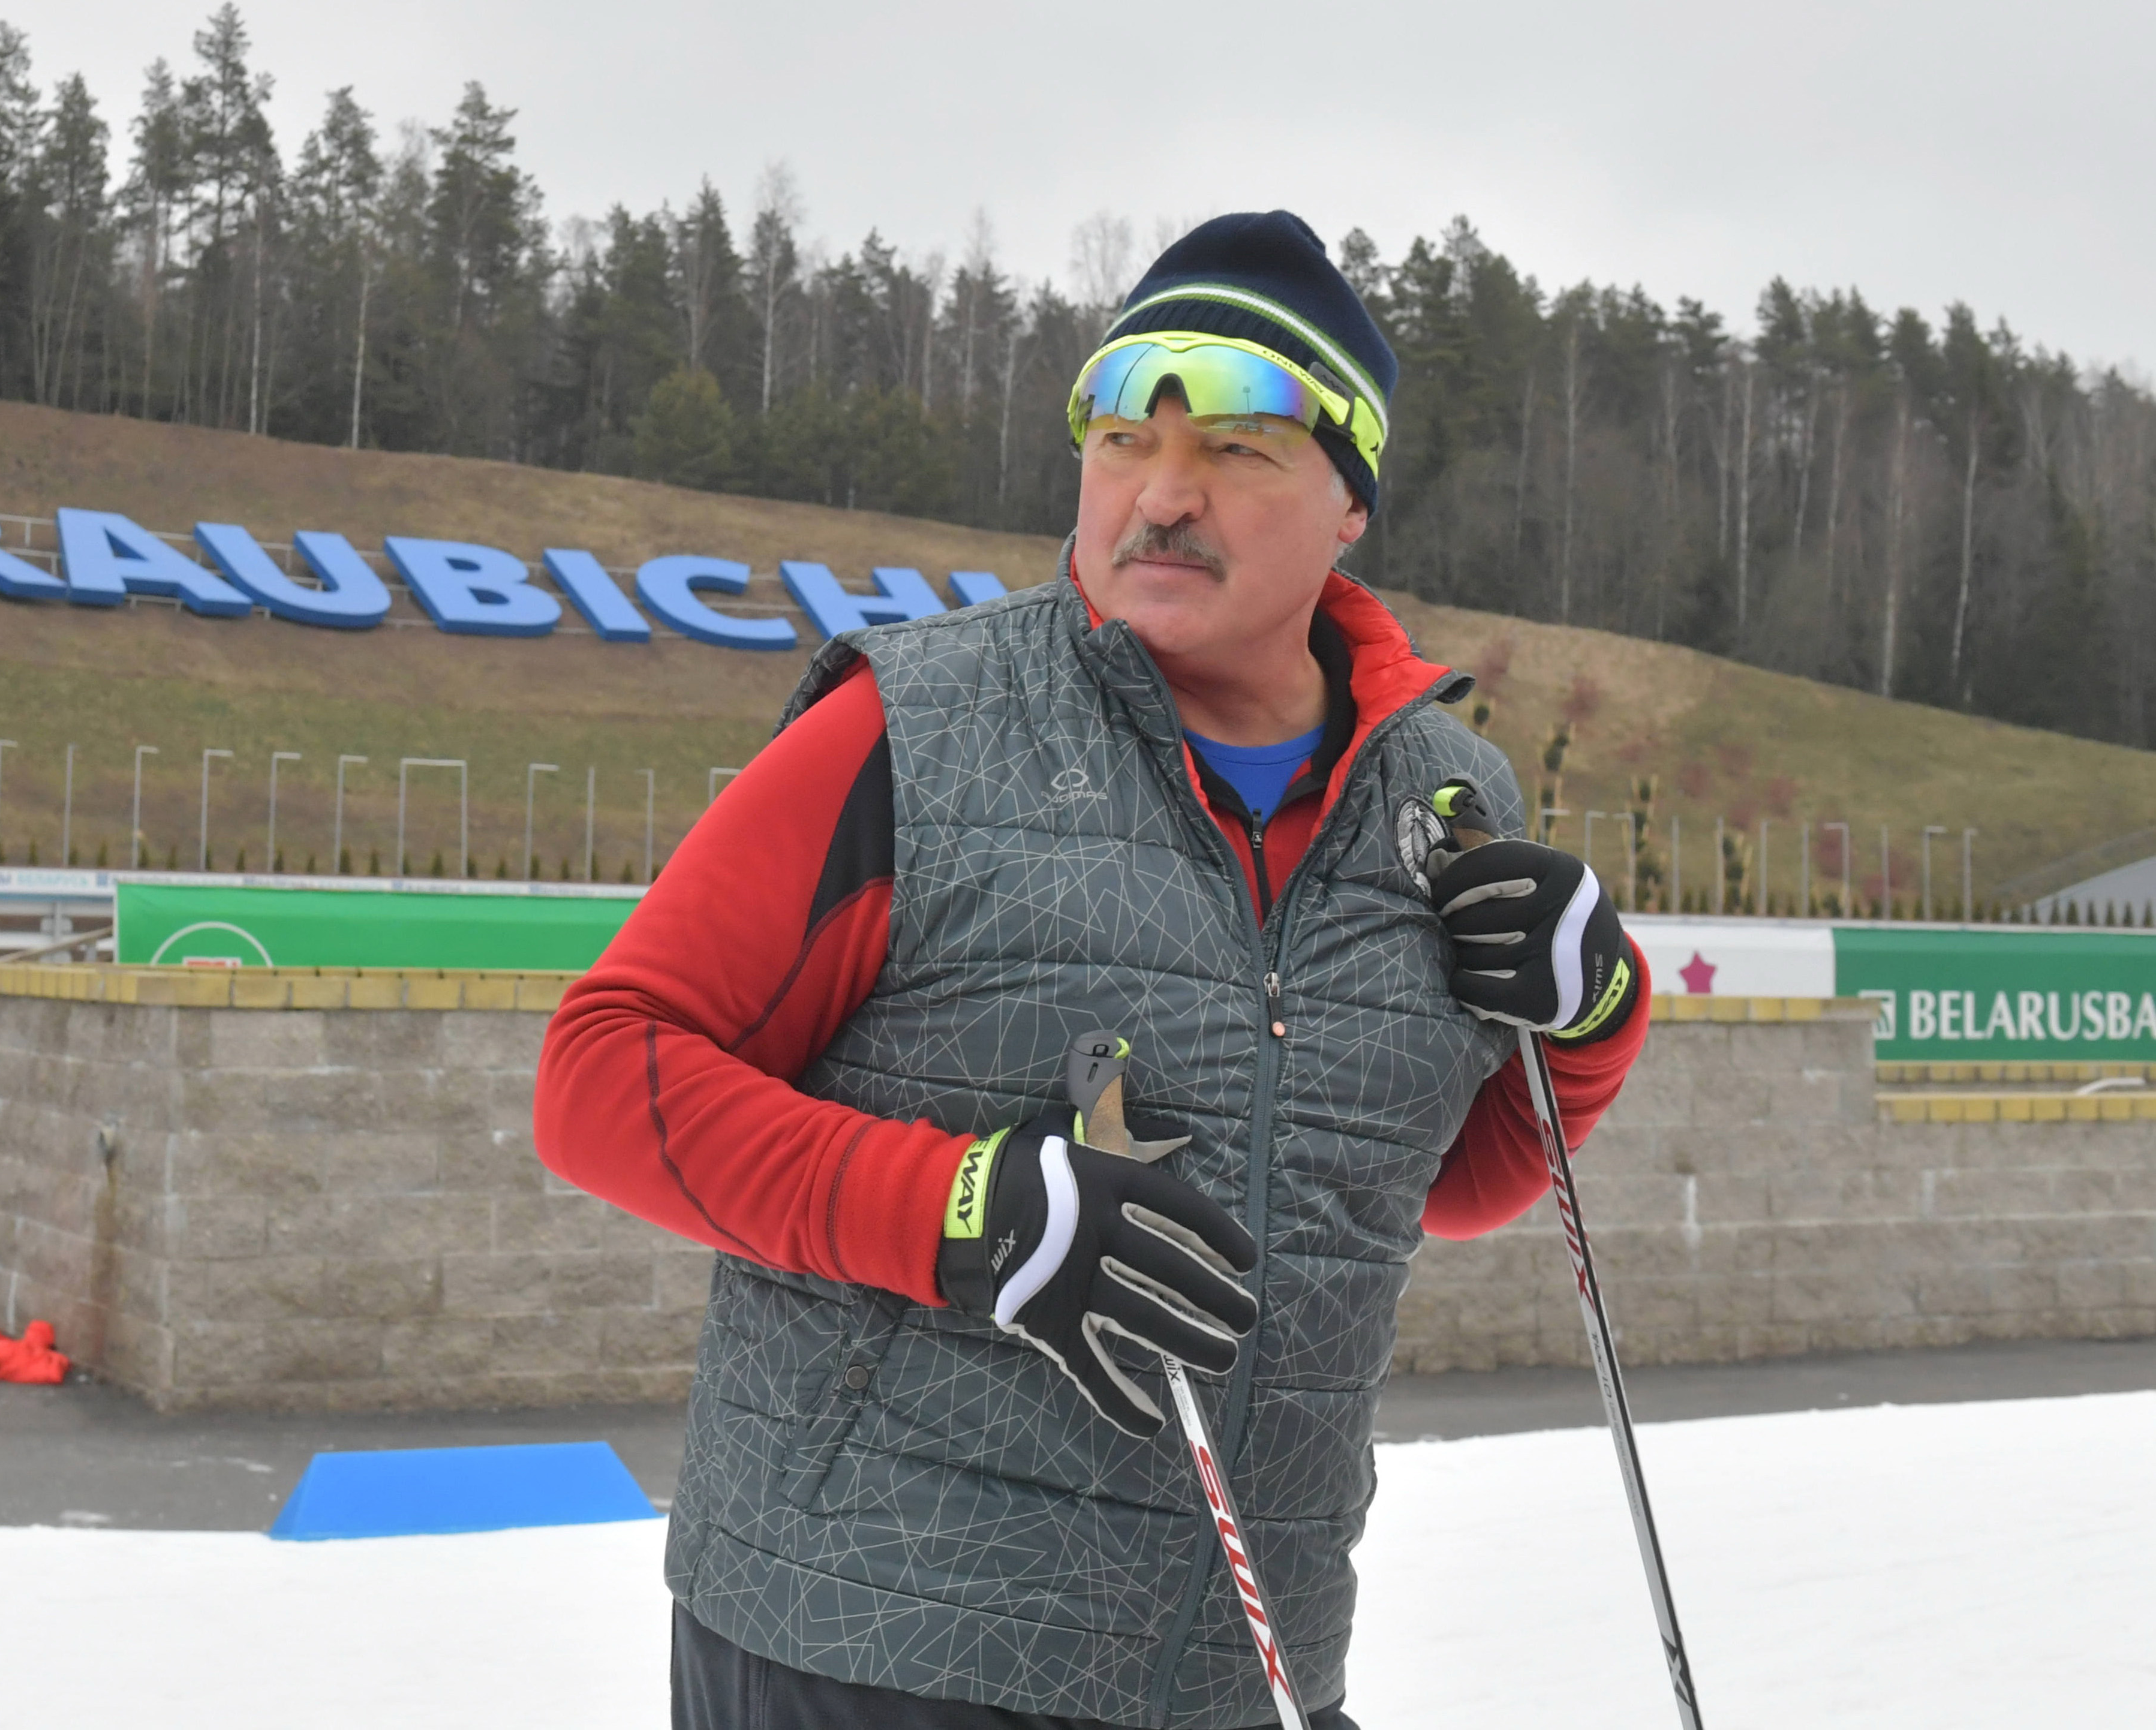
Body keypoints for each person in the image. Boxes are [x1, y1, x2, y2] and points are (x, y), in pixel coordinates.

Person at [535, 212, 1653, 1729]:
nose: (1162, 495)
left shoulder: (1440, 799)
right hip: (866, 1647)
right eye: (1122, 437)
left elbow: (1443, 1185)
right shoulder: (913, 731)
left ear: (1346, 505)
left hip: (1239, 1665)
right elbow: (599, 1074)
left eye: (1241, 447)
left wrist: (1586, 1016)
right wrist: (963, 1214)